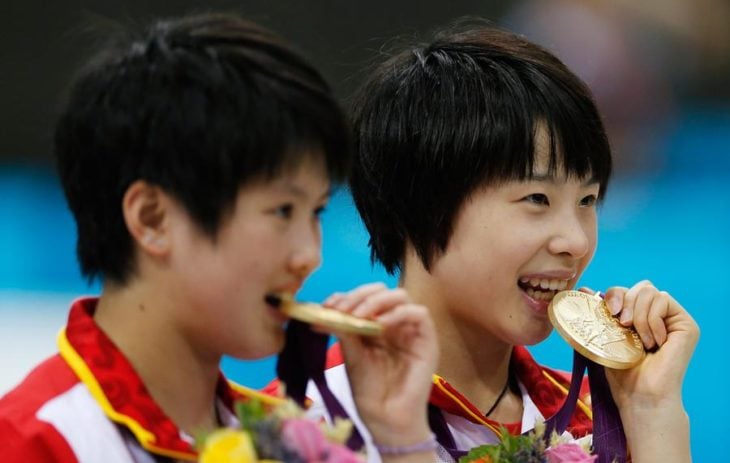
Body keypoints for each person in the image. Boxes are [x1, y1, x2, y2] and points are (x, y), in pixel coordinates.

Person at [0, 13, 439, 463]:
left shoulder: (300, 440)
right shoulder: (30, 443)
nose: (309, 257)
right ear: (152, 219)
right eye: (282, 210)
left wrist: (402, 438)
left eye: (317, 212)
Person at [307, 23, 699, 462]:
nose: (575, 241)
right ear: (420, 201)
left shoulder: (600, 418)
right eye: (537, 198)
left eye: (587, 200)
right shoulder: (310, 425)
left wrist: (654, 410)